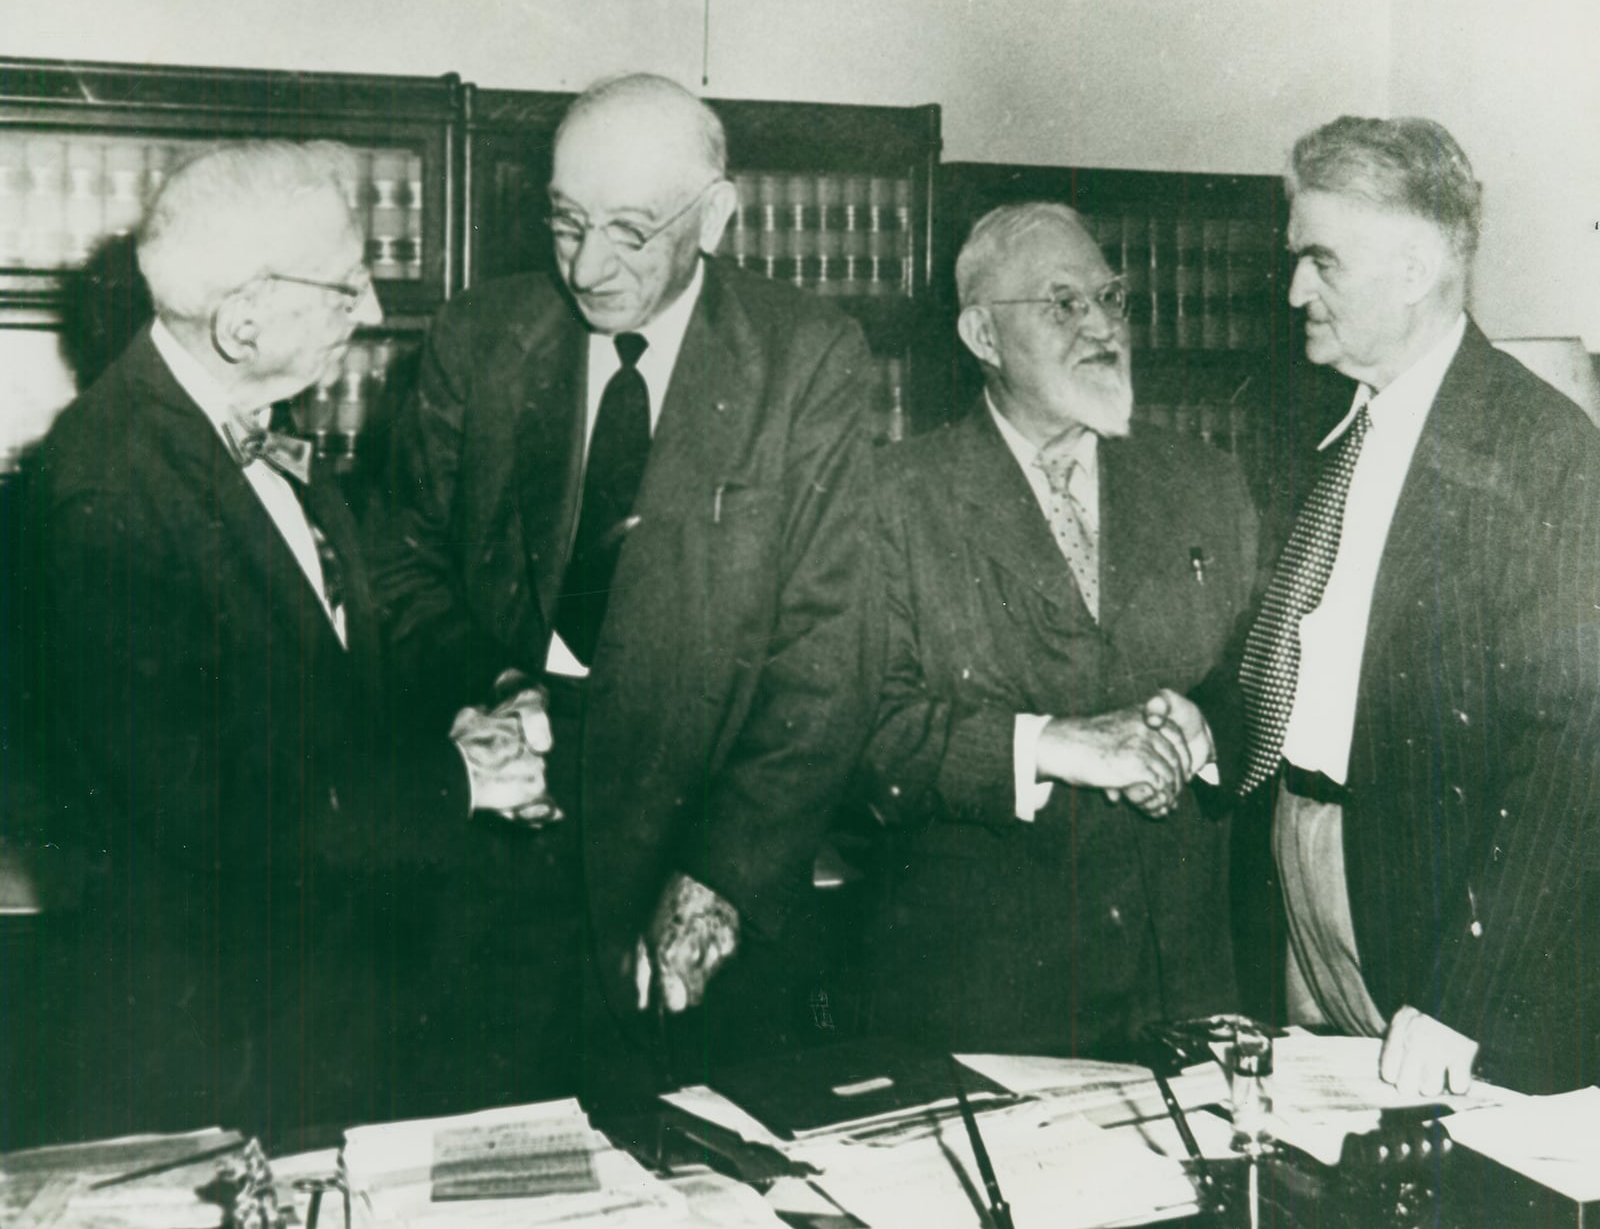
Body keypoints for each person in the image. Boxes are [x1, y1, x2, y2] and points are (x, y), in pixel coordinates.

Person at [32, 141, 548, 1146]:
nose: (367, 309)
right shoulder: (104, 490)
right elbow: (213, 802)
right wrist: (459, 780)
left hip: (324, 1002)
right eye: (343, 285)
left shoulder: (241, 427)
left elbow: (344, 629)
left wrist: (487, 683)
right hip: (219, 1049)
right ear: (242, 320)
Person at [369, 74, 876, 1096]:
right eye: (565, 222)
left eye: (630, 231)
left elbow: (830, 649)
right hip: (496, 863)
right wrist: (491, 678)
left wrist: (722, 872)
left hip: (691, 847)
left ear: (716, 217)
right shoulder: (482, 336)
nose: (588, 264)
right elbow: (399, 563)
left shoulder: (805, 357)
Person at [1234, 115, 1600, 1096]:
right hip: (1310, 878)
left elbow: (1574, 750)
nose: (1292, 290)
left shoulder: (1544, 455)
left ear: (1413, 267)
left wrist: (1461, 992)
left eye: (1320, 261)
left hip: (1439, 925)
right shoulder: (1335, 432)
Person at [862, 202, 1258, 1056]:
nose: (1101, 326)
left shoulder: (1206, 482)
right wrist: (1050, 745)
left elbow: (1260, 676)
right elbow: (865, 734)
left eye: (1110, 299)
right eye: (1062, 303)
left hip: (1188, 993)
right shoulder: (893, 499)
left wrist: (1201, 733)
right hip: (985, 1009)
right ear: (981, 334)